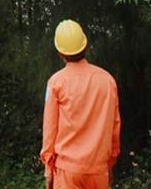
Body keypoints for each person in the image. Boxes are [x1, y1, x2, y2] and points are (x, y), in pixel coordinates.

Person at [40, 20, 120, 189]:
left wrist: (48, 169)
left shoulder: (56, 82)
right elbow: (114, 126)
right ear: (85, 45)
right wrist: (110, 163)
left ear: (60, 52)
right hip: (98, 170)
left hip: (67, 171)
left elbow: (50, 128)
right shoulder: (107, 80)